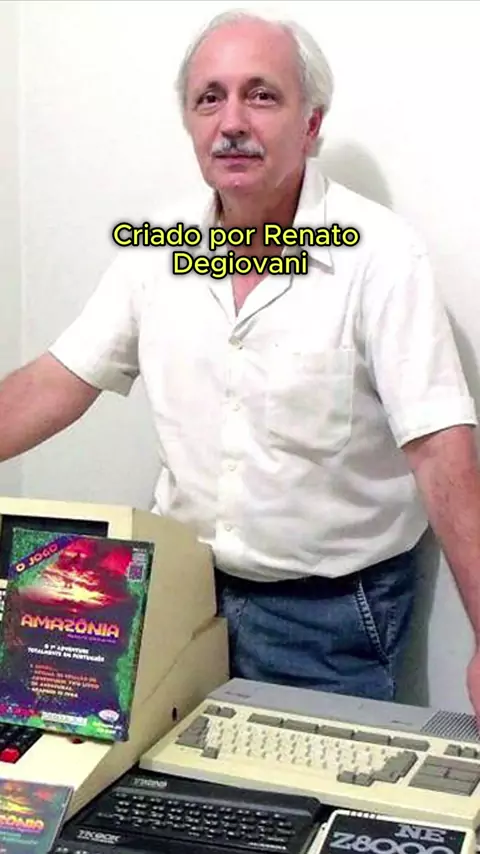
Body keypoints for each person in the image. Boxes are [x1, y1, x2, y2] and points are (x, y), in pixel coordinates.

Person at [1, 7, 480, 714]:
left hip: (329, 618)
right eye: (209, 98)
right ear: (189, 123)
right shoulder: (155, 250)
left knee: (305, 786)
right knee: (152, 779)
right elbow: (55, 381)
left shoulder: (380, 256)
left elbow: (441, 449)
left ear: (310, 124)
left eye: (261, 95)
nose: (231, 122)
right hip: (178, 591)